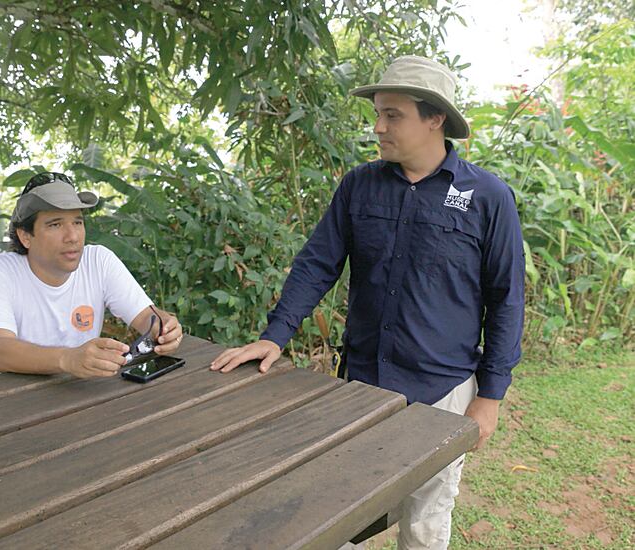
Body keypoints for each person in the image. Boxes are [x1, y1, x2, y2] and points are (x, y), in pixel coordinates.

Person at [210, 56, 525, 549]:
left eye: (392, 115)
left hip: (442, 390)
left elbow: (506, 300)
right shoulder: (360, 185)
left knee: (424, 519)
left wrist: (490, 397)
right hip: (361, 384)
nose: (377, 126)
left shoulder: (487, 197)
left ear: (434, 118)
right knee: (344, 514)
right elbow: (317, 264)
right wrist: (274, 337)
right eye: (377, 113)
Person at [0, 171, 182, 379]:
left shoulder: (98, 260)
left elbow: (146, 316)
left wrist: (163, 328)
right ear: (25, 236)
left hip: (78, 396)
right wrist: (67, 359)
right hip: (6, 403)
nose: (72, 236)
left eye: (78, 222)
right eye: (55, 224)